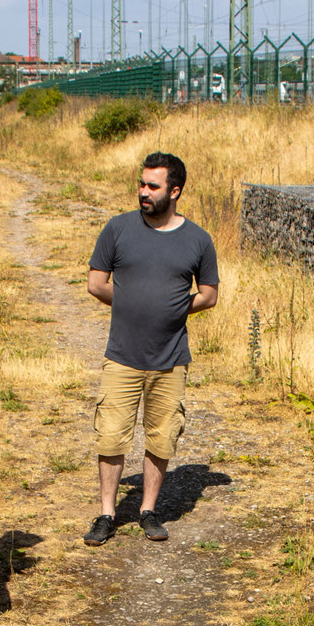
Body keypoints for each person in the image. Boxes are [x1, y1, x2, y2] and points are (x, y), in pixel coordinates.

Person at [83, 152, 219, 546]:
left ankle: (148, 510)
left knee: (162, 437)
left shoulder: (198, 239)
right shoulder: (118, 229)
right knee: (110, 437)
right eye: (141, 184)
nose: (143, 192)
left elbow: (208, 295)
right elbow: (96, 283)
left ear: (174, 191)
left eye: (153, 186)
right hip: (122, 356)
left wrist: (174, 308)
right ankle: (107, 513)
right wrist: (132, 305)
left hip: (171, 359)